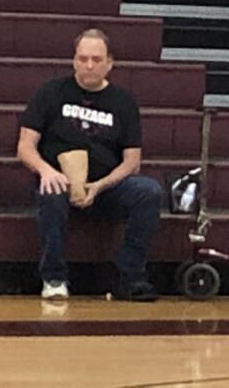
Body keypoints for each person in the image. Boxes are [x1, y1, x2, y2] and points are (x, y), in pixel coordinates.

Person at [16, 29, 162, 302]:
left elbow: (132, 161)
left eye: (96, 59)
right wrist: (46, 170)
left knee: (149, 192)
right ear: (74, 61)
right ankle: (54, 277)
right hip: (58, 180)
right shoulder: (51, 92)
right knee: (51, 192)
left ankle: (129, 277)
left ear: (110, 63)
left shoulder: (124, 102)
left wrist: (99, 185)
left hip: (104, 185)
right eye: (83, 58)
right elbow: (25, 146)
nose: (89, 65)